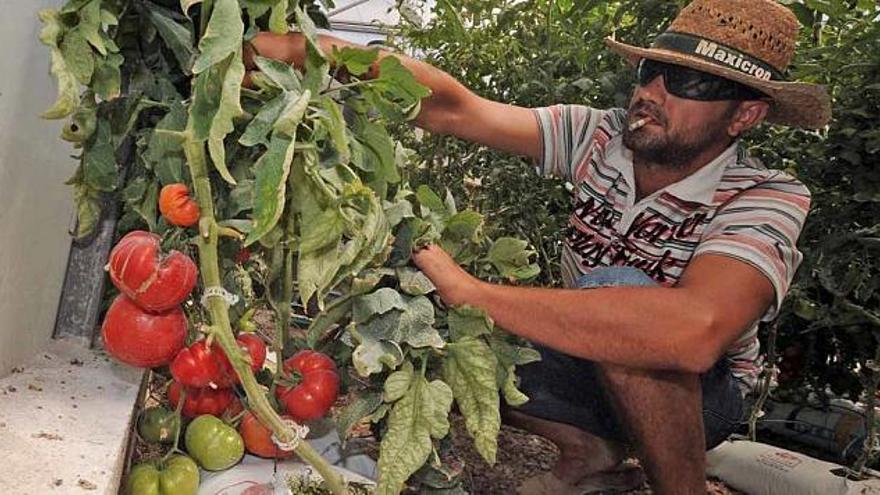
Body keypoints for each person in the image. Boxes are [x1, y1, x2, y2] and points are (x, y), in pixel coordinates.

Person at [245, 0, 831, 493]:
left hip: (702, 398)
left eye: (689, 81)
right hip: (593, 360)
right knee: (417, 319)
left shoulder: (765, 194)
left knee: (617, 295)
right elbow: (452, 106)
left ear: (745, 114)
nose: (652, 91)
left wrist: (473, 290)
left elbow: (692, 332)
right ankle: (587, 450)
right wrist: (304, 55)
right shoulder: (599, 137)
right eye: (650, 70)